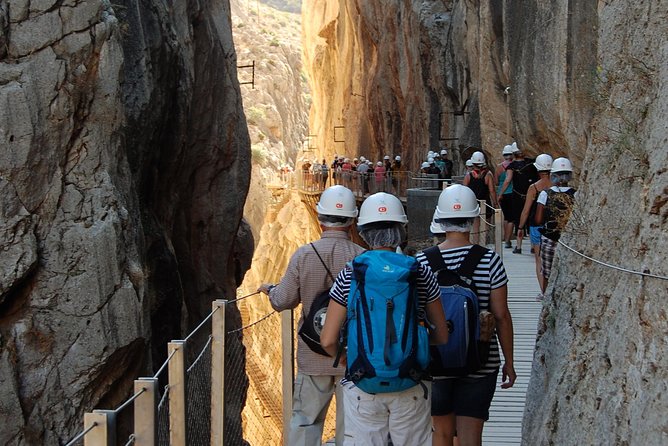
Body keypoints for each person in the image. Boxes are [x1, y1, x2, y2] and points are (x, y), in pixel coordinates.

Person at [320, 192, 449, 446]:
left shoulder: (351, 272)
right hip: (411, 379)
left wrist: (349, 355)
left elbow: (327, 339)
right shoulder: (419, 271)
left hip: (363, 380)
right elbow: (442, 335)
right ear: (400, 230)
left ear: (363, 231)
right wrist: (411, 345)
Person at [258, 185, 364, 446]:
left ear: (319, 218)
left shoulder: (304, 255)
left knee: (305, 422)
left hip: (312, 354)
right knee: (350, 426)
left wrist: (270, 289)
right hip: (351, 356)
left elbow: (283, 301)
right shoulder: (362, 259)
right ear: (352, 221)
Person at [416, 184, 516, 446]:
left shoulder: (421, 262)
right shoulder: (489, 260)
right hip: (481, 360)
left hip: (435, 362)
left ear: (440, 219)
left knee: (441, 434)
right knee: (471, 438)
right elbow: (501, 315)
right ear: (473, 220)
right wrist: (509, 361)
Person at [535, 157, 577, 295]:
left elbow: (538, 219)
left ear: (553, 174)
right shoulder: (575, 194)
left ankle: (546, 296)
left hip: (549, 238)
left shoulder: (545, 194)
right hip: (569, 239)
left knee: (547, 271)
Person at [518, 154, 553, 299]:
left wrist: (520, 227)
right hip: (552, 226)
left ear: (538, 170)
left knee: (539, 259)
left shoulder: (534, 188)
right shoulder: (556, 186)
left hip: (535, 226)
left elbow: (526, 210)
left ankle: (543, 292)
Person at [498, 142, 538, 254]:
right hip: (531, 195)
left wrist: (501, 193)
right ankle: (533, 246)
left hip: (517, 196)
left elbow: (507, 180)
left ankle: (519, 246)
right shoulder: (531, 164)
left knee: (518, 221)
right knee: (531, 219)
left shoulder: (512, 166)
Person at [463, 151, 498, 245]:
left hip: (472, 204)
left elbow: (464, 191)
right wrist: (496, 203)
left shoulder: (468, 176)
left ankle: (475, 246)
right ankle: (483, 245)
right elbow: (492, 191)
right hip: (486, 204)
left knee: (475, 229)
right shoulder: (488, 175)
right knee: (485, 228)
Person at [495, 145, 515, 248]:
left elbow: (496, 180)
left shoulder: (499, 167)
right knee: (511, 218)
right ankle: (508, 240)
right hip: (512, 192)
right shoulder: (514, 166)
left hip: (501, 194)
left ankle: (504, 237)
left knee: (506, 217)